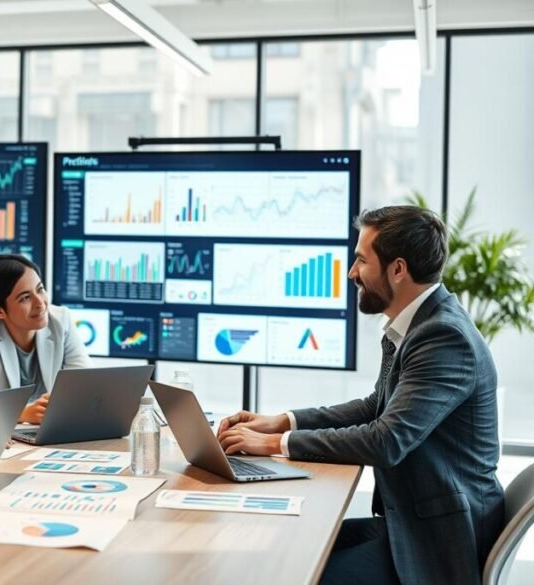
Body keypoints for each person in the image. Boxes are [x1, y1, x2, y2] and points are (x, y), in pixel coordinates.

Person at [216, 206, 504, 585]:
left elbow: (386, 441)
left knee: (294, 572)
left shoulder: (442, 338)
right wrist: (283, 420)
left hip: (439, 540)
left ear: (398, 269)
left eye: (360, 260)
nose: (352, 273)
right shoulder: (419, 325)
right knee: (286, 545)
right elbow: (376, 407)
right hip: (411, 520)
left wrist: (273, 443)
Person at [0, 254, 92, 423]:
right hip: (4, 434)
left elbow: (87, 386)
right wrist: (21, 414)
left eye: (40, 289)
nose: (40, 303)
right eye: (25, 298)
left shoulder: (61, 320)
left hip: (52, 427)